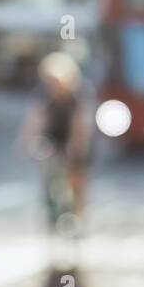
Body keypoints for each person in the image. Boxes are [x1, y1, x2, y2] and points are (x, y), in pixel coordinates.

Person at [17, 51, 93, 222]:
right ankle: (50, 203)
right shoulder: (42, 94)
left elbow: (80, 126)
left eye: (57, 82)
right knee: (47, 164)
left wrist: (74, 148)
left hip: (74, 133)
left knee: (77, 172)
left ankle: (78, 212)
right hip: (53, 132)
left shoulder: (80, 94)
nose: (54, 86)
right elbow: (34, 120)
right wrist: (25, 143)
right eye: (50, 82)